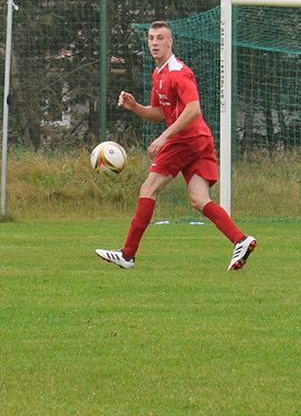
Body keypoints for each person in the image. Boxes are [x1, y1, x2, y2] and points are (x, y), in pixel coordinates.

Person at [95, 21, 256, 271]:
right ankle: (241, 239)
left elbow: (193, 109)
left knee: (148, 188)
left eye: (160, 38)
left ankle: (127, 255)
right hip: (200, 140)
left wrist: (163, 138)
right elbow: (159, 113)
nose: (155, 43)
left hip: (187, 139)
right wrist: (135, 107)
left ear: (170, 42)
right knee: (199, 199)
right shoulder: (158, 74)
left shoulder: (179, 72)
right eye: (151, 38)